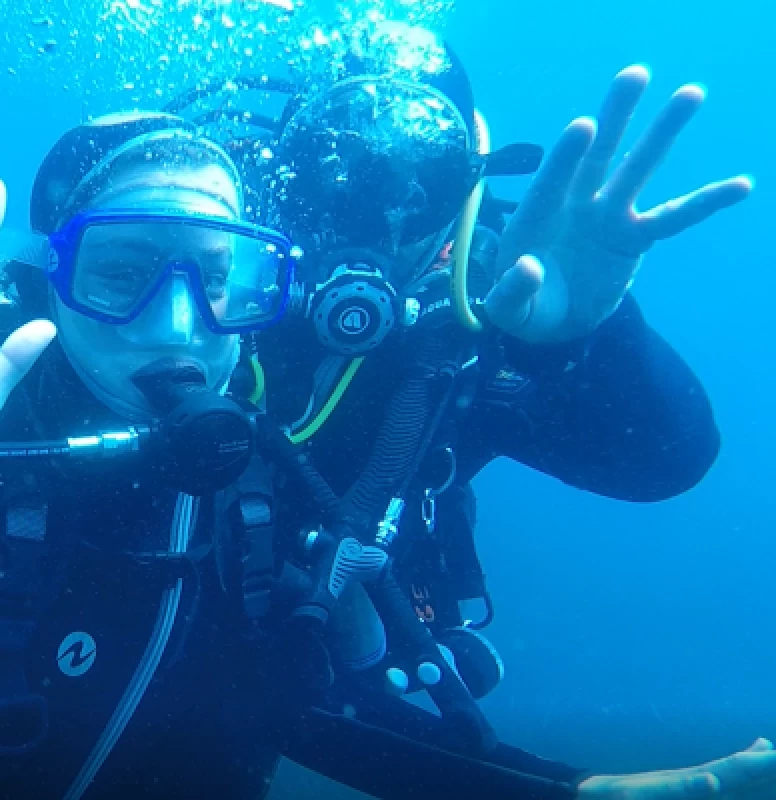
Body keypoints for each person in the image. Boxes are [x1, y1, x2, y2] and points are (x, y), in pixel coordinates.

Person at [0, 111, 774, 800]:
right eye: (121, 273)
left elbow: (296, 703)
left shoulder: (266, 476)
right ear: (46, 282)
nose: (175, 327)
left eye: (222, 280)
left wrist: (558, 792)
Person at [214, 24, 774, 800]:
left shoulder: (494, 309)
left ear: (470, 191)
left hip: (330, 652)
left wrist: (589, 333)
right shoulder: (201, 295)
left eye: (425, 183)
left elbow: (666, 461)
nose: (386, 224)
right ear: (283, 178)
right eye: (339, 177)